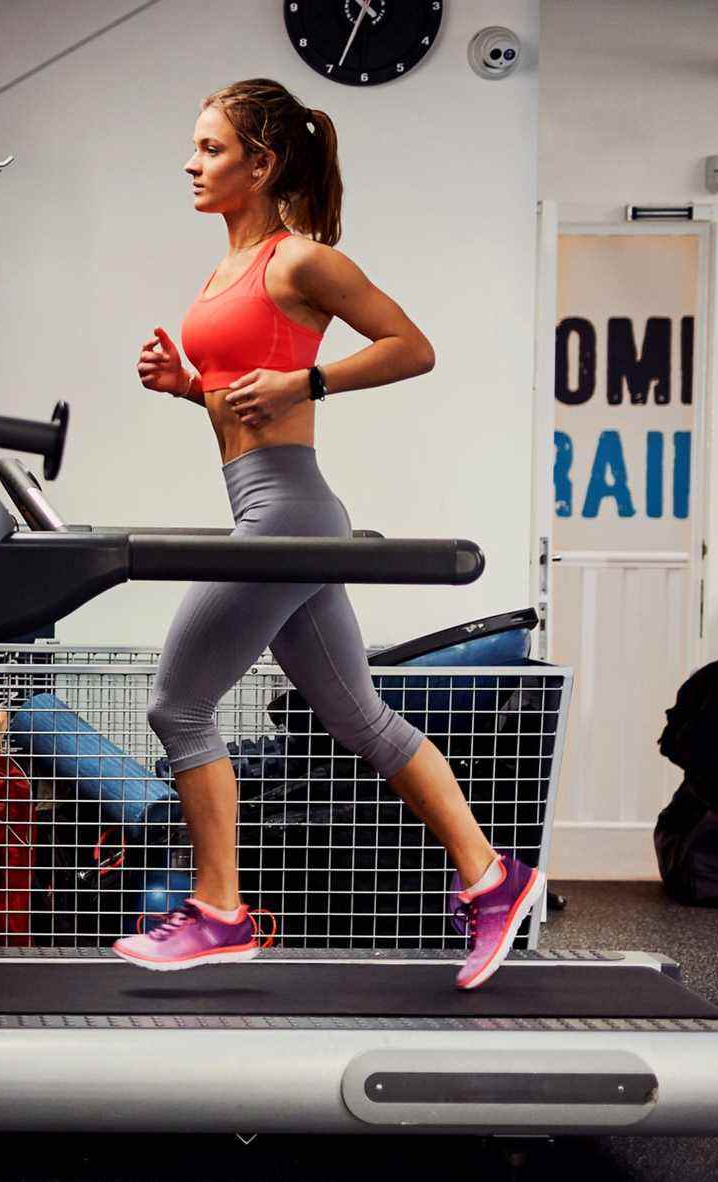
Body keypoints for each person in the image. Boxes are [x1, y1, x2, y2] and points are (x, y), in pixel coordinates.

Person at [112, 79, 542, 990]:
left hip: (288, 513)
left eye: (210, 149)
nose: (191, 163)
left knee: (176, 705)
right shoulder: (225, 269)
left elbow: (410, 346)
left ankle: (219, 911)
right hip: (265, 504)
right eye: (193, 148)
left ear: (259, 164)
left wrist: (308, 386)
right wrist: (183, 387)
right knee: (360, 719)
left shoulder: (299, 260)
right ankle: (494, 878)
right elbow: (241, 402)